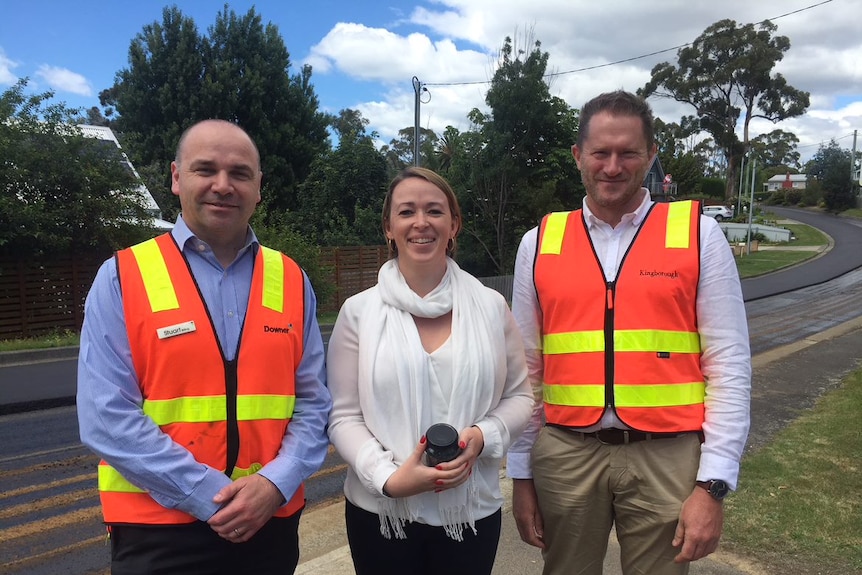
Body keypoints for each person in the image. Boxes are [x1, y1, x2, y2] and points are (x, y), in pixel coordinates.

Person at [507, 91, 751, 575]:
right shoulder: (539, 243)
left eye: (628, 153)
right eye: (600, 152)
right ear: (578, 156)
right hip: (566, 454)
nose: (613, 166)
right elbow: (525, 373)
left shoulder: (698, 235)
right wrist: (521, 475)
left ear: (652, 153)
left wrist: (714, 484)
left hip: (668, 457)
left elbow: (728, 367)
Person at [77, 119, 332, 574]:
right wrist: (207, 496)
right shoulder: (122, 276)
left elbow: (314, 403)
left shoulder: (291, 278)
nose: (222, 185)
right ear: (176, 177)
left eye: (239, 173)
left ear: (258, 187)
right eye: (205, 169)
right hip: (159, 529)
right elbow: (104, 417)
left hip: (268, 523)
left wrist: (274, 483)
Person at [326, 166, 534, 575]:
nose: (421, 223)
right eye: (406, 212)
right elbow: (343, 416)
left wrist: (482, 436)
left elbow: (520, 397)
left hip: (471, 513)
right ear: (388, 227)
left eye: (434, 211)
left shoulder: (491, 307)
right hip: (381, 513)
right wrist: (388, 478)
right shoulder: (359, 313)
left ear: (453, 224)